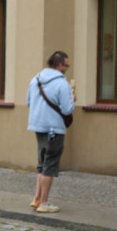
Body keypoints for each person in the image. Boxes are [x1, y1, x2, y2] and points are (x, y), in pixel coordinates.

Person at [26, 50, 74, 213]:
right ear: (60, 65)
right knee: (50, 165)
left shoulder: (35, 79)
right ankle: (44, 203)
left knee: (42, 164)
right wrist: (73, 99)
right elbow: (67, 109)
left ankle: (37, 198)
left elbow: (28, 102)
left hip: (37, 125)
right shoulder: (62, 83)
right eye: (66, 65)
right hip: (54, 128)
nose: (67, 68)